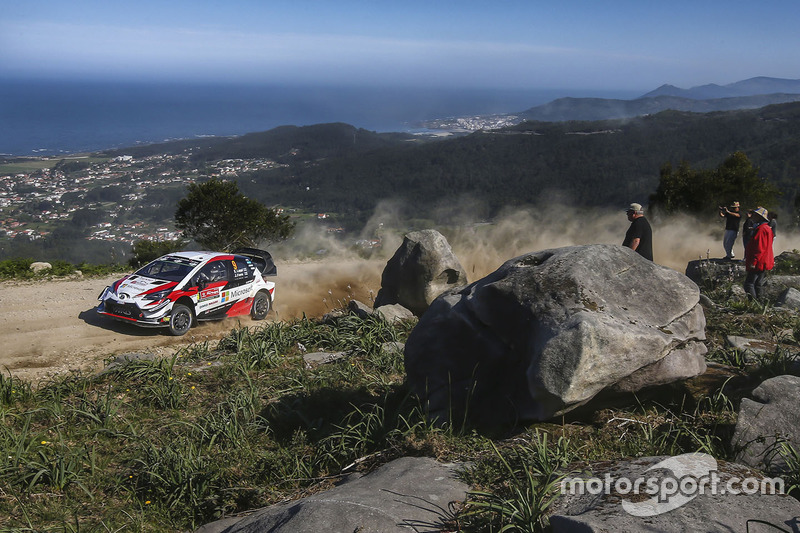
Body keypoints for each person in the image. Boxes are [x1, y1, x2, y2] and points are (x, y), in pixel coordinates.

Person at [743, 207, 774, 300]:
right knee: (758, 284)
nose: (753, 216)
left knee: (749, 284)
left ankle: (753, 304)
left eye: (756, 215)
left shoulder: (761, 229)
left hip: (758, 261)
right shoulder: (767, 228)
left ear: (760, 217)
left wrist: (754, 261)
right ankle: (760, 303)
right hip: (764, 260)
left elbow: (759, 248)